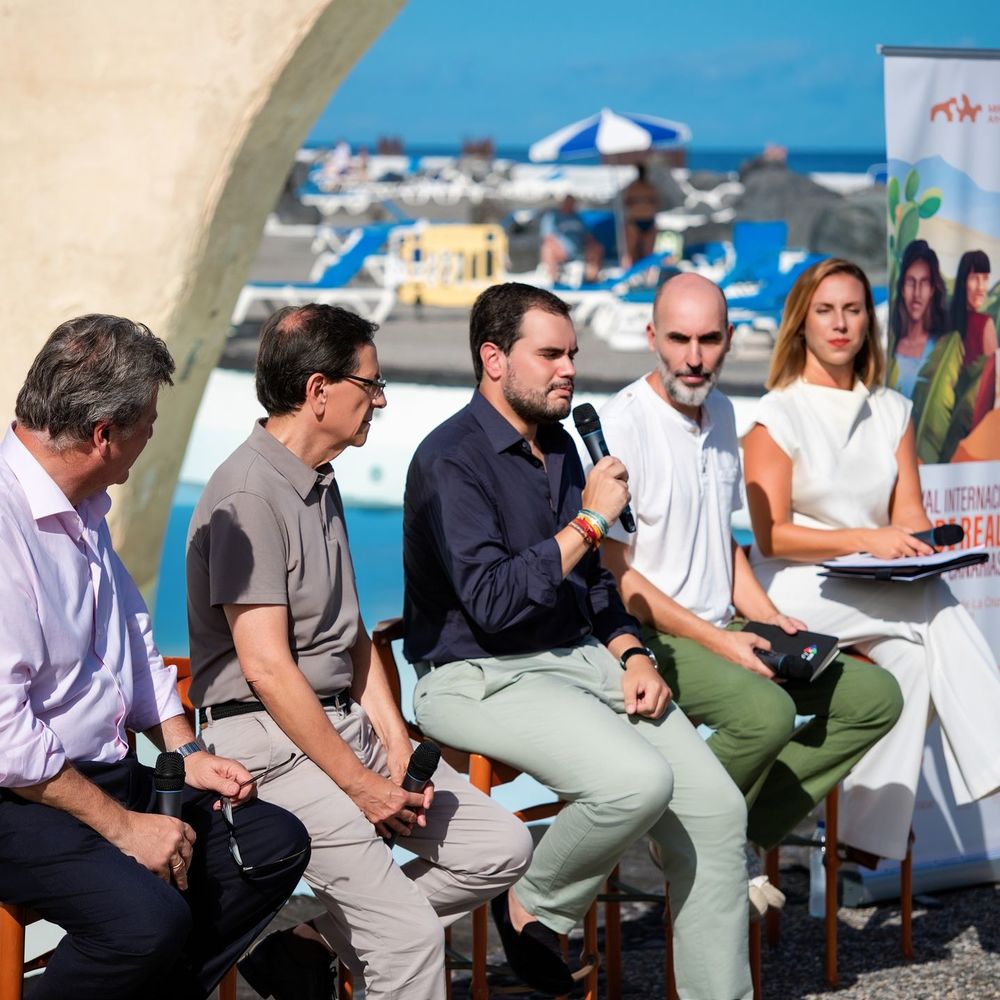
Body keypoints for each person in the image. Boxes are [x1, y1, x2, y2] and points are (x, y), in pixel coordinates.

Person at [403, 282, 751, 999]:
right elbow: (494, 603)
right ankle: (532, 901)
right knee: (636, 782)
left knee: (720, 815)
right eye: (550, 355)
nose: (569, 369)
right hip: (476, 673)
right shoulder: (449, 460)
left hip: (581, 660)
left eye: (572, 354)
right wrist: (591, 521)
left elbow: (593, 584)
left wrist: (633, 654)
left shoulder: (560, 446)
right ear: (494, 359)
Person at [186, 304, 531, 1000]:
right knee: (408, 940)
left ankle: (304, 935)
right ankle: (367, 934)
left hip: (339, 723)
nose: (380, 400)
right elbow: (266, 668)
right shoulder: (248, 494)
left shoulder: (320, 478)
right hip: (268, 742)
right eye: (370, 385)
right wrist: (359, 784)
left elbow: (352, 635)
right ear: (319, 391)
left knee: (500, 849)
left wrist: (396, 744)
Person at [0, 314, 310, 1000]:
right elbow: (7, 742)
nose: (150, 439)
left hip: (99, 776)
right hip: (20, 798)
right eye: (147, 426)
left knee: (270, 843)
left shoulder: (82, 502)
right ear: (104, 434)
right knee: (146, 923)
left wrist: (184, 750)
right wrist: (125, 829)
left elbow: (134, 646)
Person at [597, 273, 902, 862]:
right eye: (679, 339)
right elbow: (616, 576)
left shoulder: (721, 410)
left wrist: (768, 617)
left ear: (730, 338)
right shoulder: (622, 425)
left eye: (709, 340)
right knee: (767, 713)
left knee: (876, 697)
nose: (694, 357)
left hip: (725, 628)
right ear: (652, 337)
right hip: (651, 637)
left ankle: (730, 834)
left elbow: (724, 541)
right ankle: (688, 836)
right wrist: (721, 641)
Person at [743, 257, 1000, 864]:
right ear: (801, 322)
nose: (840, 324)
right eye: (825, 310)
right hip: (791, 590)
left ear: (868, 322)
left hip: (874, 585)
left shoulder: (890, 409)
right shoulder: (775, 413)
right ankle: (993, 753)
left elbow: (908, 514)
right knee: (931, 605)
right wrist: (868, 538)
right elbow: (771, 536)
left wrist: (924, 545)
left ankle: (864, 835)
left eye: (852, 310)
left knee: (911, 662)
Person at [889, 239, 948, 398]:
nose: (917, 293)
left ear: (932, 290)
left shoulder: (941, 348)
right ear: (902, 288)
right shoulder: (888, 343)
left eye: (924, 283)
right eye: (911, 282)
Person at [539, 193, 603, 283]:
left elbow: (588, 235)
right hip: (561, 251)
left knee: (596, 248)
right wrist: (560, 250)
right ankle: (553, 280)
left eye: (572, 202)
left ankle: (591, 278)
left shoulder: (577, 217)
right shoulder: (551, 217)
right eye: (568, 201)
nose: (570, 204)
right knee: (547, 248)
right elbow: (548, 238)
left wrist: (592, 243)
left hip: (580, 250)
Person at [950, 249, 998, 367]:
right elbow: (993, 375)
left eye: (985, 278)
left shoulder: (946, 319)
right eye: (974, 278)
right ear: (963, 282)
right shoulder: (984, 324)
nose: (981, 287)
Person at [621, 162, 659, 267]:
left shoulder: (636, 188)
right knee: (634, 251)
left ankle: (633, 270)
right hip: (641, 219)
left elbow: (627, 203)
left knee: (635, 251)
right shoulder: (648, 187)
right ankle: (631, 270)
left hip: (641, 219)